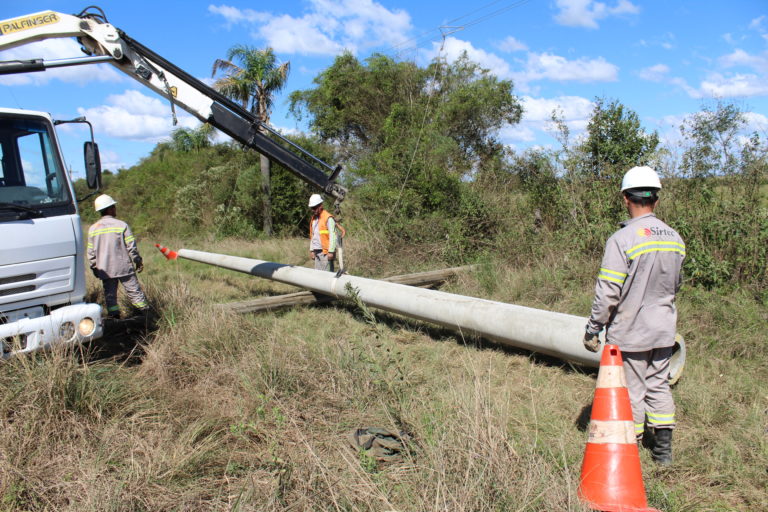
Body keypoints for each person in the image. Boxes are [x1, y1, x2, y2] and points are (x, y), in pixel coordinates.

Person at [583, 166, 685, 466]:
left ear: (626, 198)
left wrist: (593, 328)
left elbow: (608, 292)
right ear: (656, 198)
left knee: (633, 389)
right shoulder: (674, 238)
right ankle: (663, 452)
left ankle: (633, 450)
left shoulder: (622, 239)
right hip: (664, 327)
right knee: (659, 384)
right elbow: (675, 286)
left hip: (632, 330)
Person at [87, 194, 149, 319]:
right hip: (123, 267)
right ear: (110, 209)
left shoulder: (93, 229)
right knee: (135, 294)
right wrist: (138, 260)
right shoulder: (121, 225)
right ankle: (146, 317)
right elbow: (131, 246)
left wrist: (94, 268)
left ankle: (114, 320)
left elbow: (91, 253)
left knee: (110, 297)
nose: (115, 209)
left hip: (105, 269)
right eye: (113, 207)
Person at [308, 193, 337, 272]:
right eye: (312, 208)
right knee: (318, 275)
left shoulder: (328, 218)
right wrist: (312, 250)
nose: (313, 210)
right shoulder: (313, 219)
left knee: (327, 275)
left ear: (320, 205)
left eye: (314, 208)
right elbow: (312, 235)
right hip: (317, 251)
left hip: (326, 252)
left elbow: (333, 236)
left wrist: (331, 251)